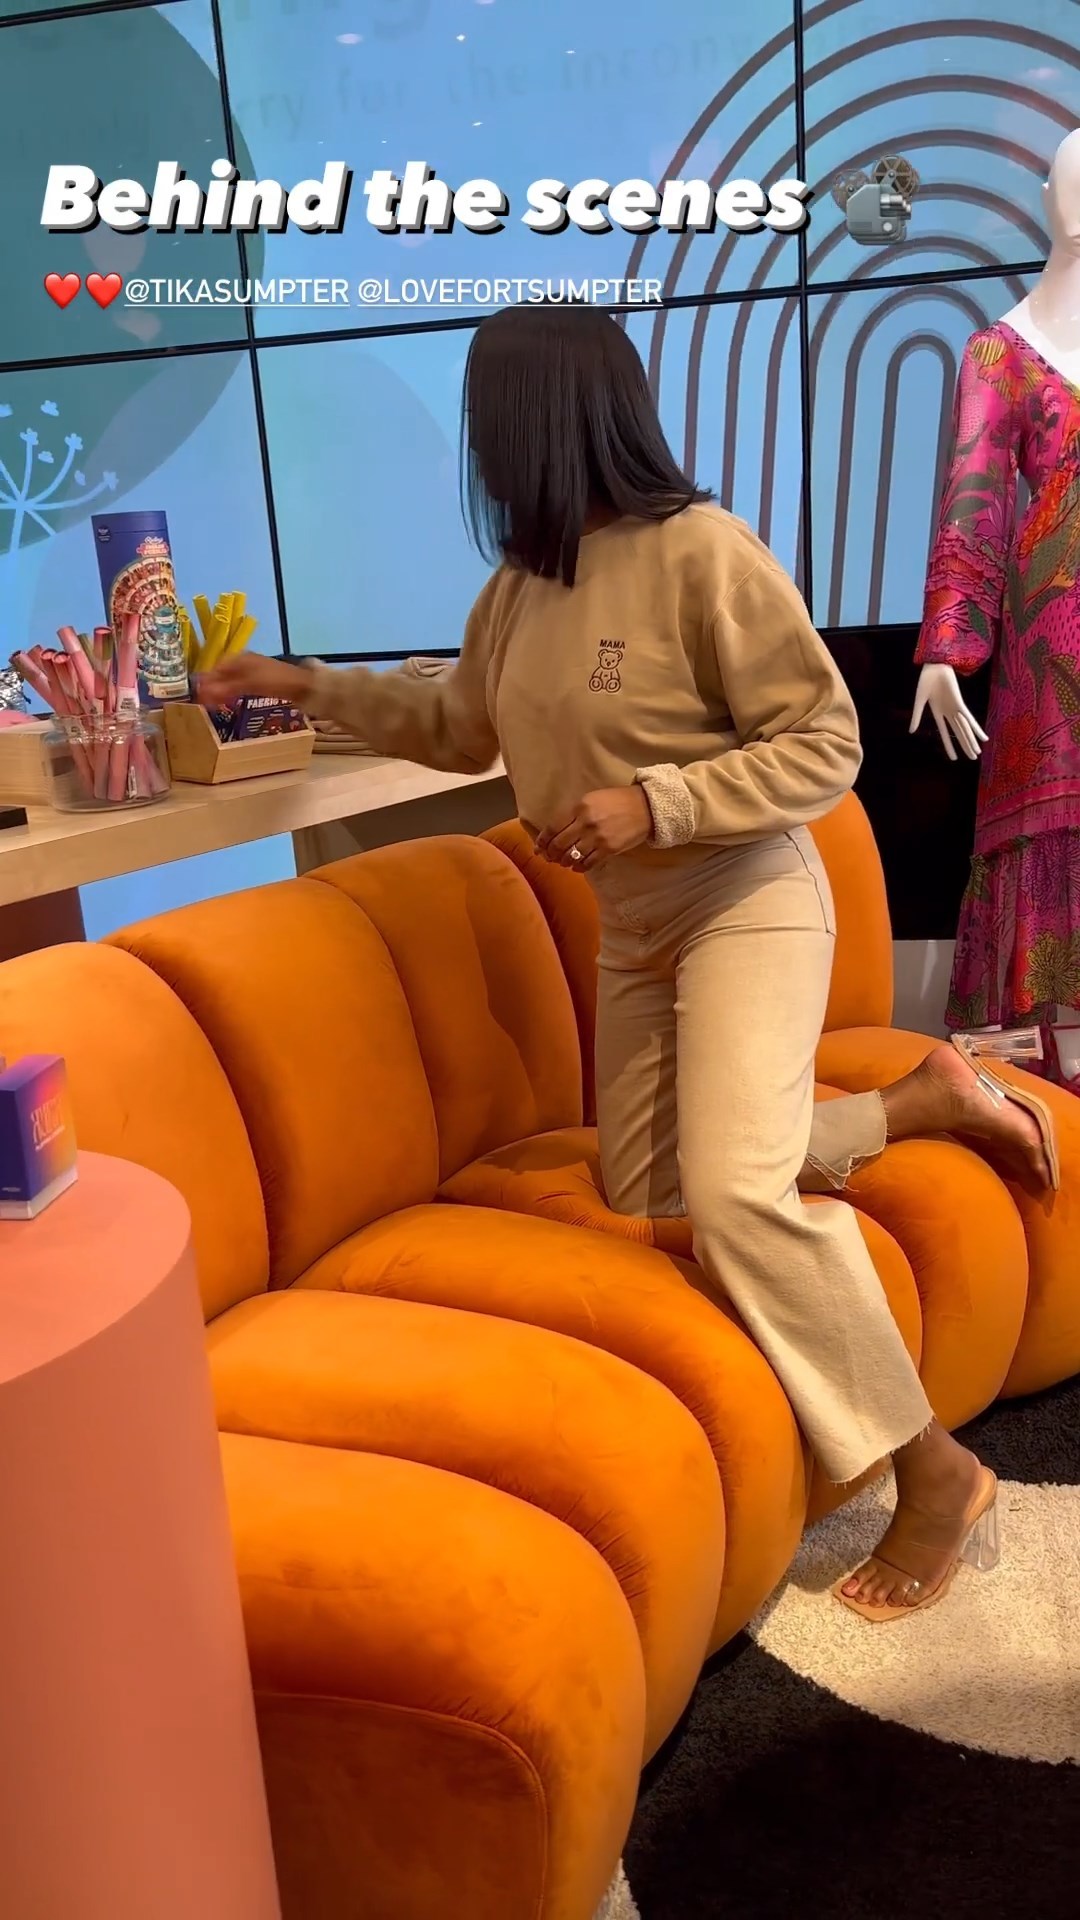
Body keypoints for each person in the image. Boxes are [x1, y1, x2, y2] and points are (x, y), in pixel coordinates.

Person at [198, 303, 1052, 1621]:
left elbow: (826, 742)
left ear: (544, 419)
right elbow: (454, 727)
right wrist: (303, 685)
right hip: (640, 930)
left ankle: (930, 1471)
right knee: (647, 1178)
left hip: (744, 895)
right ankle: (921, 1102)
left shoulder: (703, 552)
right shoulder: (521, 588)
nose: (477, 447)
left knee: (737, 1196)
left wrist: (655, 803)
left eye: (486, 416)